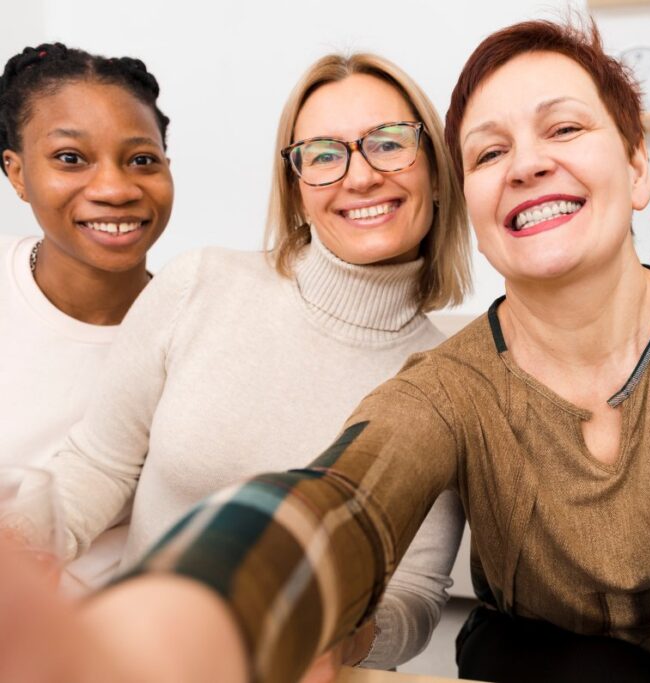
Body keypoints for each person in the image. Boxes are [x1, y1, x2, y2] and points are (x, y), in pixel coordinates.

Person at [2, 19, 650, 683]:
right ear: (479, 206)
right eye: (489, 147)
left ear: (633, 170)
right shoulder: (445, 381)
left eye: (562, 128)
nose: (524, 159)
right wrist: (164, 631)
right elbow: (335, 504)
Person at [42, 52, 470, 672]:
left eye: (388, 143)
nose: (361, 176)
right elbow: (97, 466)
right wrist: (28, 544)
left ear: (432, 167)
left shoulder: (450, 377)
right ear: (296, 188)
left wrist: (344, 638)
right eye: (324, 154)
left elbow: (415, 592)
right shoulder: (199, 283)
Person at [0, 42, 173, 590]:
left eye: (142, 159)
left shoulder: (194, 330)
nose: (115, 189)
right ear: (17, 173)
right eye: (71, 158)